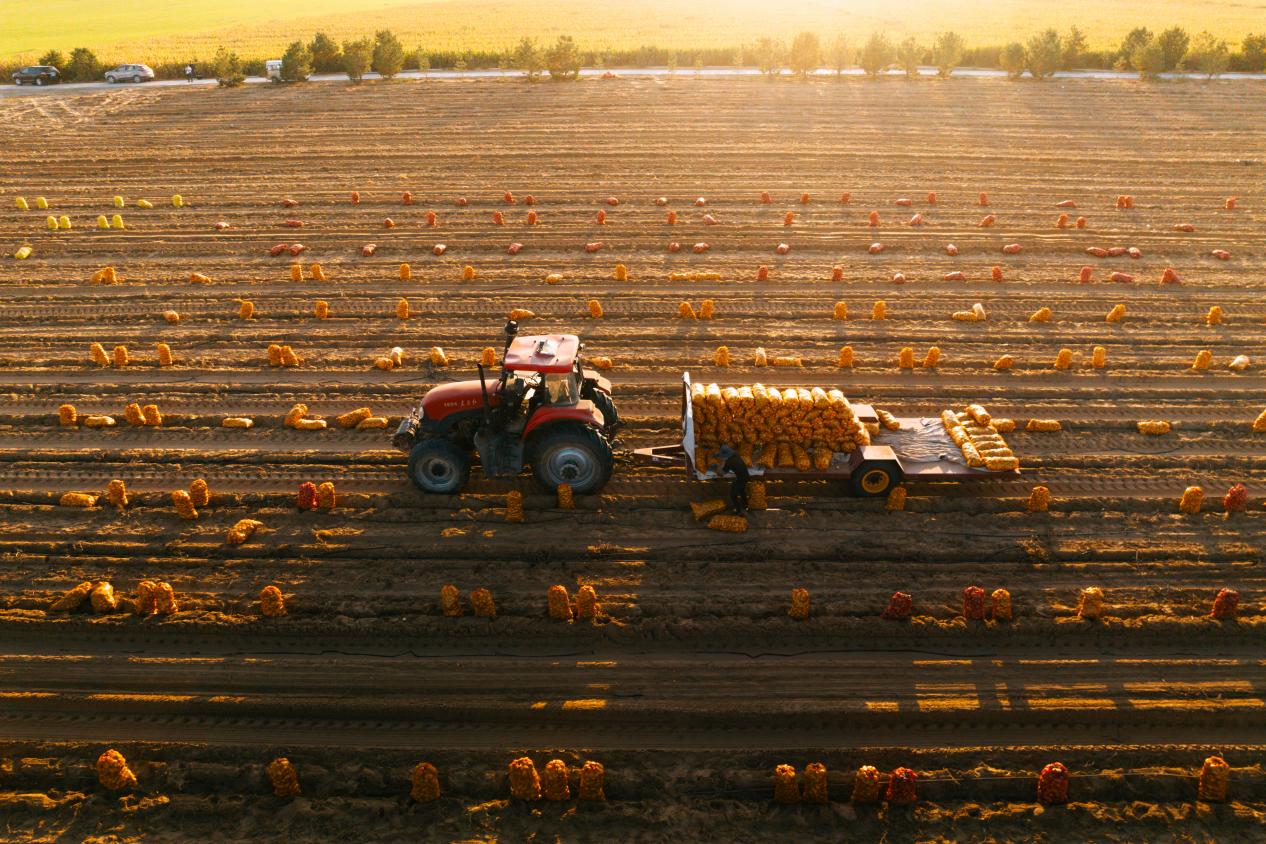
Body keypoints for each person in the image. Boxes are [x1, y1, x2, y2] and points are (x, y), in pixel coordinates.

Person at [711, 444, 749, 515]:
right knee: (742, 491)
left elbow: (721, 473)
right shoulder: (735, 455)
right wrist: (717, 456)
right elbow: (722, 455)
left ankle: (739, 510)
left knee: (733, 494)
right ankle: (745, 506)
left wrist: (716, 468)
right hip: (745, 476)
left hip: (741, 478)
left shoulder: (729, 462)